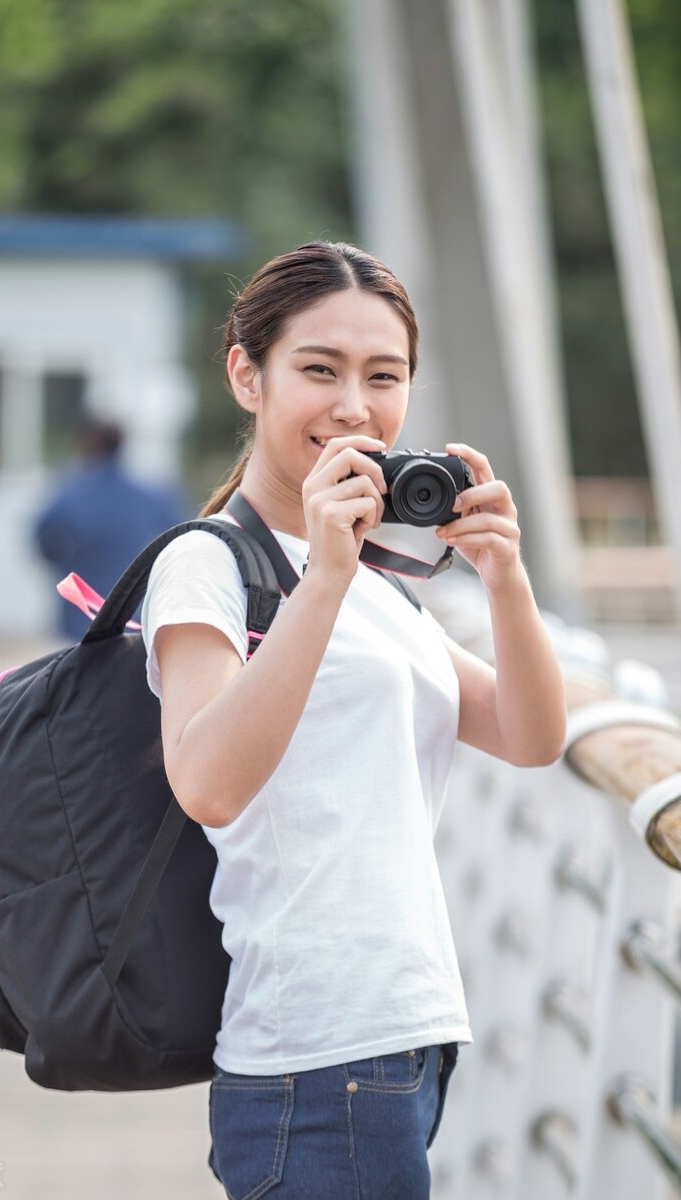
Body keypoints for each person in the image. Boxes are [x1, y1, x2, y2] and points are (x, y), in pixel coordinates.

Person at [141, 242, 567, 1199]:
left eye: (385, 376)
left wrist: (505, 576)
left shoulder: (377, 586)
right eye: (318, 370)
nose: (353, 407)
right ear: (247, 375)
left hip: (403, 1035)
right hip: (315, 1050)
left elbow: (531, 738)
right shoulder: (208, 567)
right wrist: (324, 575)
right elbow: (206, 783)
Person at [33, 418, 191, 639]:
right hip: (132, 613)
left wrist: (64, 567)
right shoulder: (150, 494)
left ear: (88, 444)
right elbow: (182, 537)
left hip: (81, 611)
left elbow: (43, 538)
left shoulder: (70, 493)